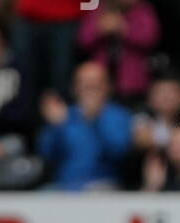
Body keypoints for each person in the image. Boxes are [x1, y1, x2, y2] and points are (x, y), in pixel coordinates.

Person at [37, 61, 134, 190]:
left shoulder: (118, 115)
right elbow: (46, 154)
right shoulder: (64, 114)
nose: (89, 87)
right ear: (74, 88)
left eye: (95, 83)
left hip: (103, 185)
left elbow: (119, 152)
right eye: (84, 83)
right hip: (65, 187)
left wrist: (96, 119)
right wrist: (56, 127)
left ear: (108, 87)